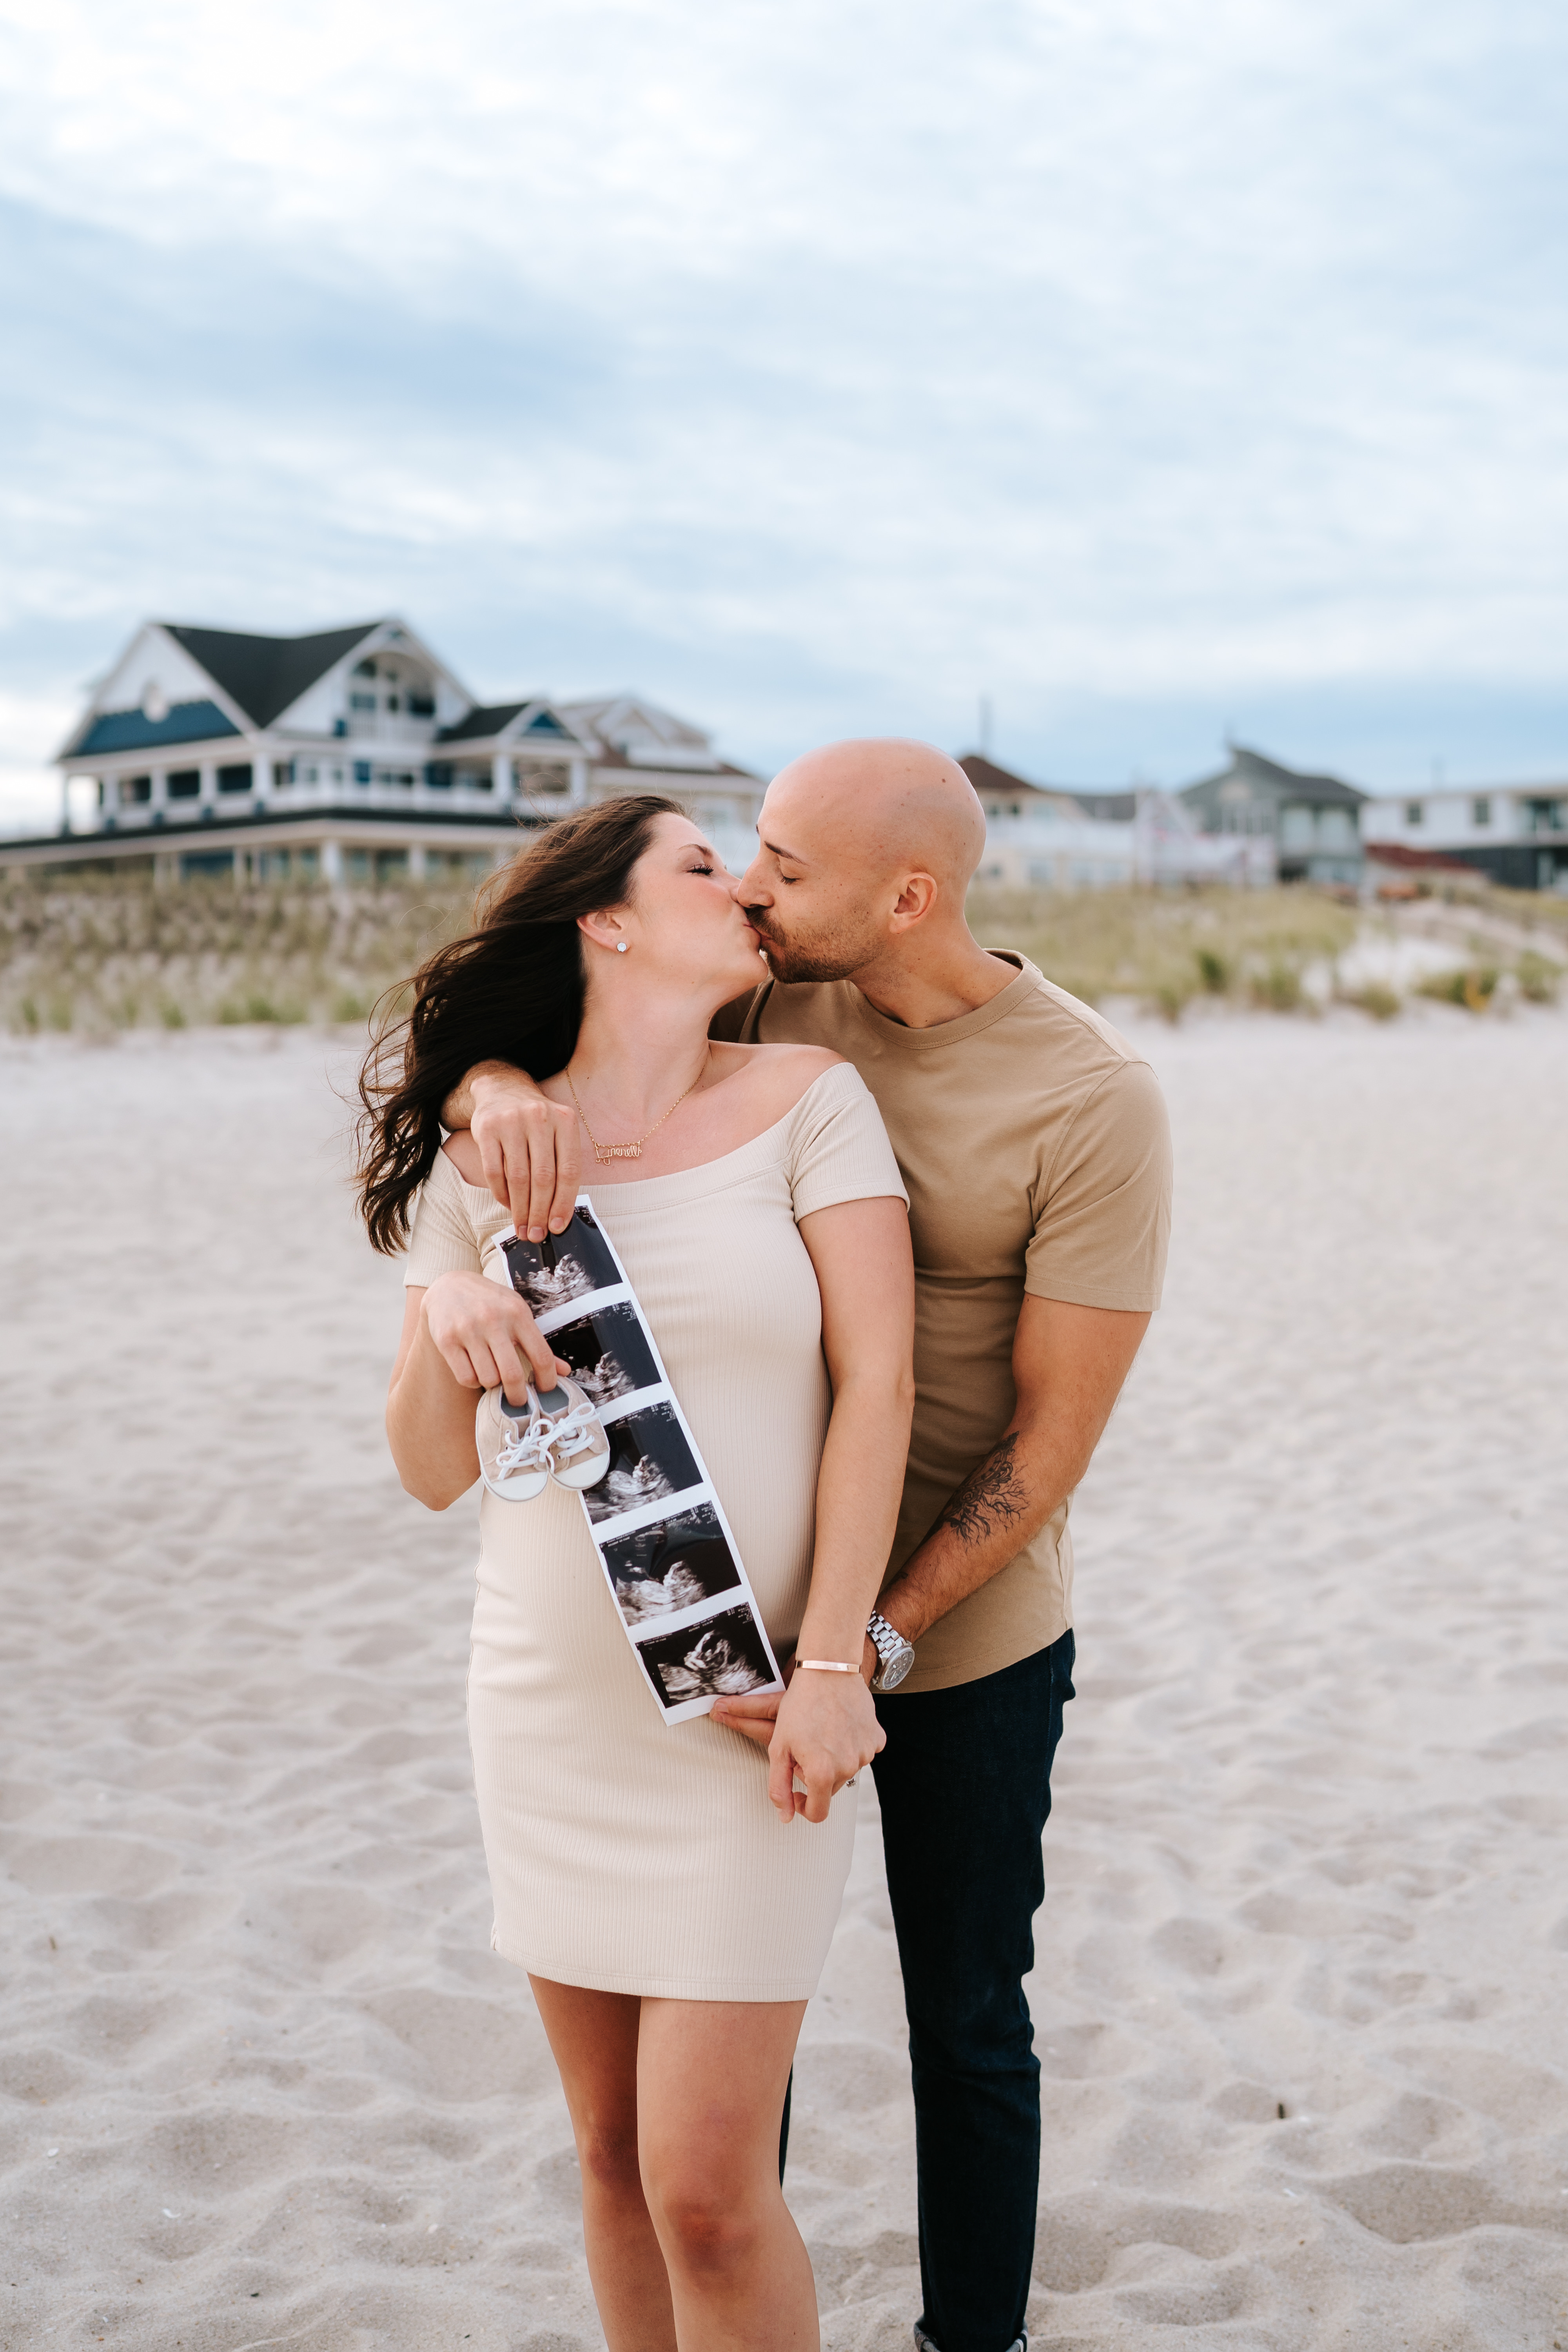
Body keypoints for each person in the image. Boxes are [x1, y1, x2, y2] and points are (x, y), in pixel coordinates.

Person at [441, 742, 1173, 2352]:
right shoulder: (775, 1009)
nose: (756, 887)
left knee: (966, 2021)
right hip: (732, 1607)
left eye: (783, 863)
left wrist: (864, 1644)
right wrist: (484, 1094)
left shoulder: (1090, 1098)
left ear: (908, 898)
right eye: (741, 854)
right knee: (704, 2128)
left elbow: (1047, 1439)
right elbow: (564, 1060)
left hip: (962, 1622)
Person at [357, 794, 915, 2352]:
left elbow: (880, 1387)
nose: (744, 885)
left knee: (712, 2195)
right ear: (605, 918)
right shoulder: (494, 1140)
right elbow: (426, 1469)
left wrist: (829, 1666)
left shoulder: (813, 1097)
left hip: (745, 1710)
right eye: (700, 863)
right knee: (609, 2160)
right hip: (548, 1707)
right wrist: (456, 1309)